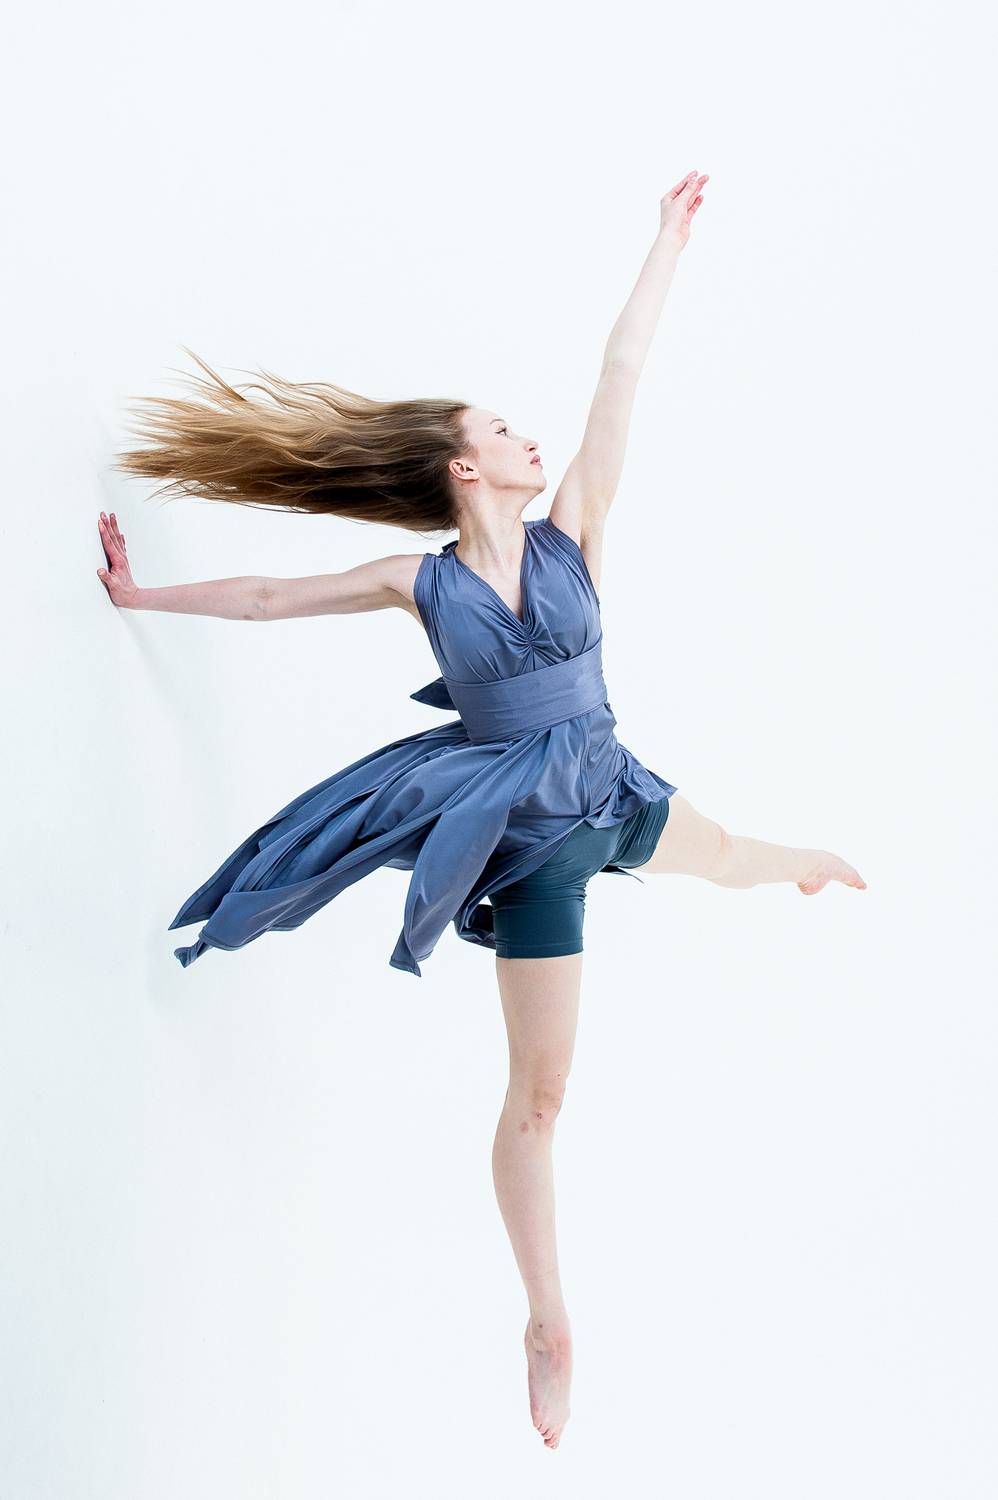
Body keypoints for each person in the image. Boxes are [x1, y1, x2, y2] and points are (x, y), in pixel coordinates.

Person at [97, 169, 865, 1448]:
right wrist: (143, 599)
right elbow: (272, 601)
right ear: (465, 467)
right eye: (502, 431)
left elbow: (621, 376)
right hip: (531, 849)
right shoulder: (418, 580)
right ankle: (547, 1321)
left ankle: (803, 862)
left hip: (614, 788)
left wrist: (665, 244)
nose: (529, 440)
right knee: (539, 1099)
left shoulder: (575, 529)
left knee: (728, 851)